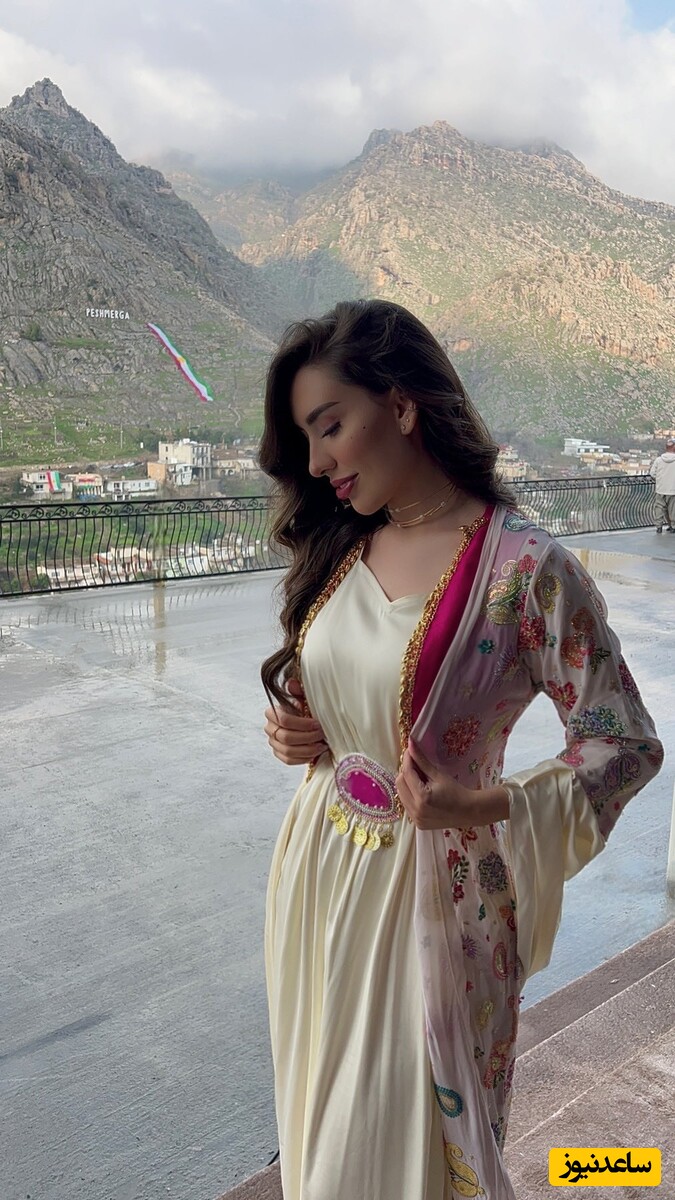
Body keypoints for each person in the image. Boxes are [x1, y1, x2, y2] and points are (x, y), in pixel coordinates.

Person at [259, 299, 663, 1200]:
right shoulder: (343, 545)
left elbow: (624, 742)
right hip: (318, 874)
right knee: (319, 1138)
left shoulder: (524, 570)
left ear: (401, 405)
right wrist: (297, 728)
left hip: (432, 900)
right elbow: (339, 696)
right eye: (306, 438)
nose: (317, 462)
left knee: (390, 1156)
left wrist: (482, 805)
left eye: (330, 426)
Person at [649, 436, 675, 532]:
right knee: (673, 509)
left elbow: (652, 473)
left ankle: (659, 526)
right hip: (673, 489)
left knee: (659, 508)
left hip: (660, 488)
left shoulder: (658, 460)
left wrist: (660, 480)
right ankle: (673, 526)